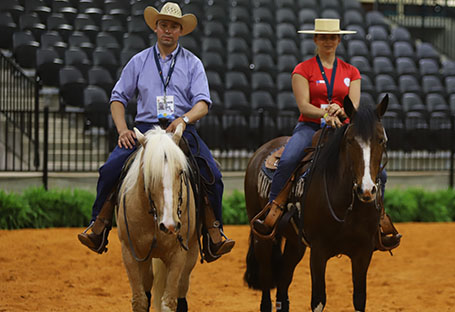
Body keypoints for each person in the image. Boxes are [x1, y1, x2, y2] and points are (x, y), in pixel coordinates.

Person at [78, 2, 235, 258]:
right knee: (110, 170)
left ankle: (213, 232)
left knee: (212, 174)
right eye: (164, 25)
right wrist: (122, 130)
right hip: (145, 131)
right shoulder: (139, 61)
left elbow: (203, 104)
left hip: (180, 131)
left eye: (174, 26)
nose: (168, 31)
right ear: (155, 27)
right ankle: (99, 225)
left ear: (181, 31)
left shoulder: (193, 64)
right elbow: (117, 98)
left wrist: (184, 119)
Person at [251, 18, 401, 249]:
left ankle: (378, 219)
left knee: (380, 174)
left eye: (332, 37)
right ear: (315, 39)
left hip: (342, 128)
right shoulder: (303, 69)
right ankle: (274, 207)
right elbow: (303, 106)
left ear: (339, 40)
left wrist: (340, 111)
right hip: (310, 127)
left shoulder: (352, 72)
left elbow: (355, 105)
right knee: (290, 158)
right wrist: (324, 112)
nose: (327, 41)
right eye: (323, 37)